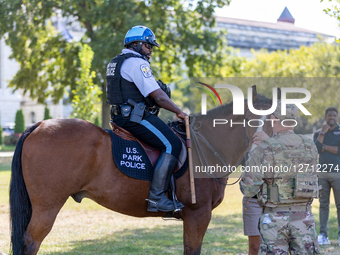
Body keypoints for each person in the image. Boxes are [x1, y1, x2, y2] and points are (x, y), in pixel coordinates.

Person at [106, 25, 186, 212]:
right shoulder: (137, 63)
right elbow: (157, 96)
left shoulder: (116, 61)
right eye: (148, 46)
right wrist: (179, 112)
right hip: (134, 118)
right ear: (135, 44)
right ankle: (157, 197)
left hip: (119, 116)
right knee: (172, 144)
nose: (150, 51)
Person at [240, 102, 320, 254]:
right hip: (304, 218)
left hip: (274, 221)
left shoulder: (263, 148)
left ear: (273, 118)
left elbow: (248, 188)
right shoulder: (310, 145)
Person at [313, 107, 340, 246]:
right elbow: (315, 149)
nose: (332, 117)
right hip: (322, 175)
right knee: (323, 206)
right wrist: (322, 134)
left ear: (337, 117)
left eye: (334, 115)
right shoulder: (318, 133)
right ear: (325, 117)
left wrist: (324, 147)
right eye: (329, 115)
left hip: (338, 175)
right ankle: (323, 235)